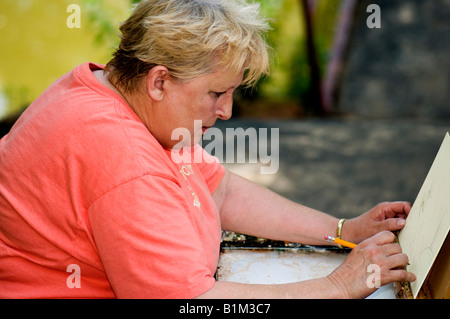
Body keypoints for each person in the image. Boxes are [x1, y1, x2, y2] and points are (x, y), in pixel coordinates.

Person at [0, 0, 415, 299]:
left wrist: (342, 231)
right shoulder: (125, 163)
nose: (228, 111)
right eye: (217, 92)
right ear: (159, 81)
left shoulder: (108, 89)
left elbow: (221, 189)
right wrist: (339, 286)